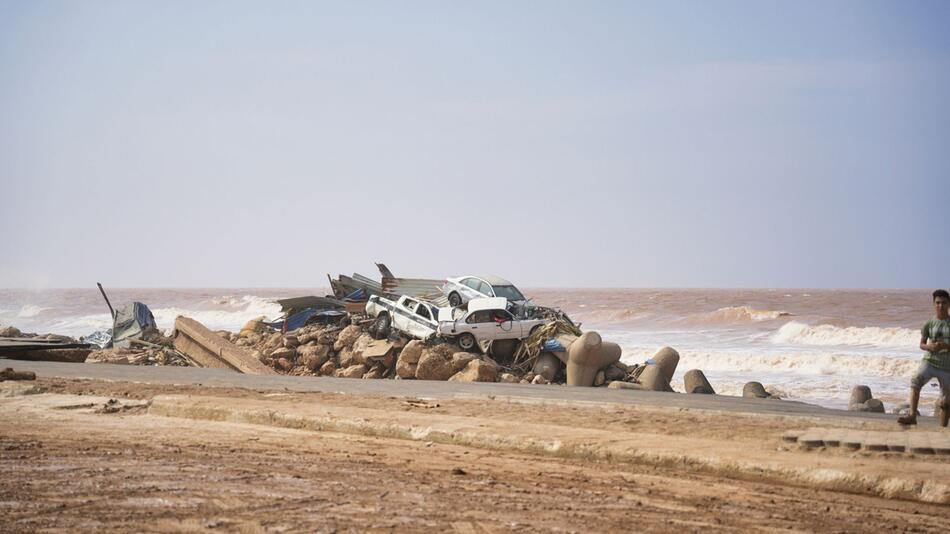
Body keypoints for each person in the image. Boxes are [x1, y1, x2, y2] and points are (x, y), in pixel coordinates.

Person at [898, 289, 950, 426]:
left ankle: (943, 428)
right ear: (934, 304)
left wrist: (946, 346)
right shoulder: (929, 323)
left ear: (949, 304)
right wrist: (930, 347)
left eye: (944, 303)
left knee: (945, 401)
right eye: (938, 303)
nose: (941, 306)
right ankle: (912, 416)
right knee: (915, 380)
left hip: (947, 366)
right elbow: (921, 344)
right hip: (930, 361)